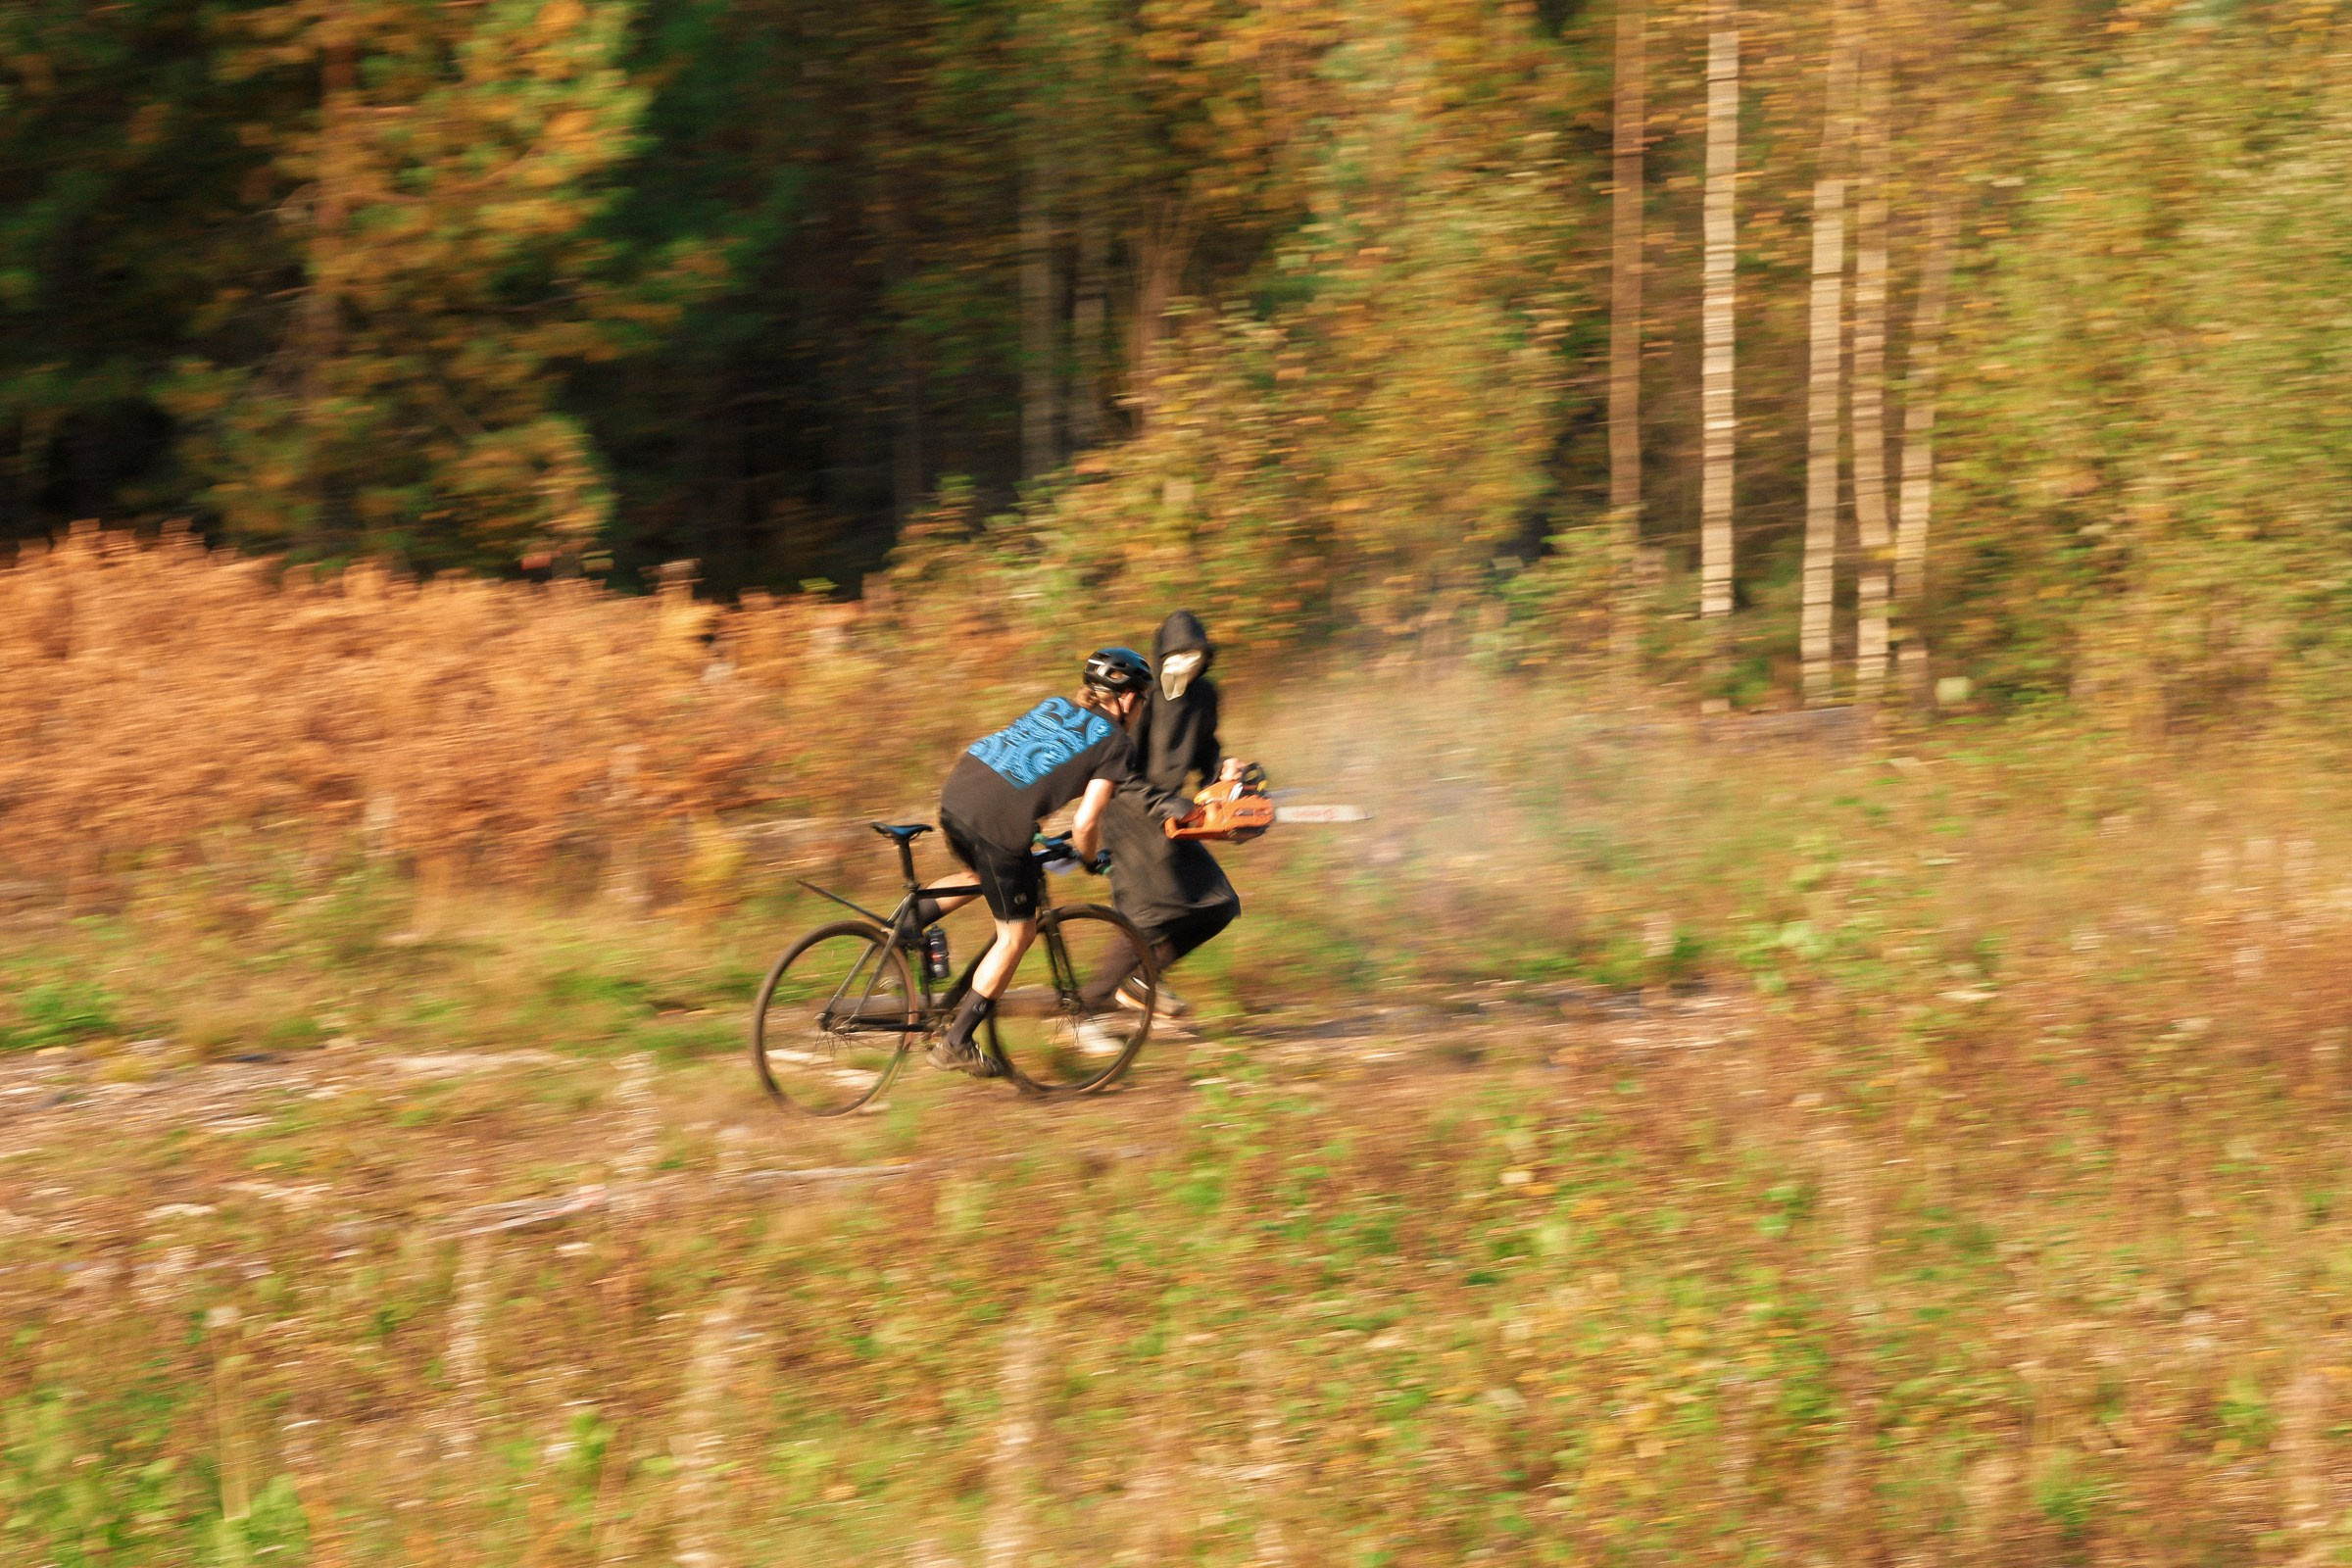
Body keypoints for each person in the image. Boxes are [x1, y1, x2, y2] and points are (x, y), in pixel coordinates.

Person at [920, 646, 1151, 1075]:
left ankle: (900, 931)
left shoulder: (1057, 706)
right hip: (997, 824)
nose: (1140, 708)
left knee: (983, 874)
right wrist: (1088, 859)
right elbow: (1086, 822)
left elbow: (1020, 769)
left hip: (957, 796)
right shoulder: (1117, 743)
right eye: (1142, 699)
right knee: (1017, 934)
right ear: (1127, 698)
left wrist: (1036, 830)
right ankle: (957, 1040)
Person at [1088, 611, 1245, 1018]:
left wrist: (1223, 773)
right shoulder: (1143, 696)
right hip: (1128, 813)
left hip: (1171, 814)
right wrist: (1166, 805)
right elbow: (1119, 772)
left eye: (1195, 657)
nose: (1185, 665)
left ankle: (1141, 981)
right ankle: (1081, 1012)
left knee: (1218, 904)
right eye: (1177, 657)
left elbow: (1205, 748)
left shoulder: (1205, 695)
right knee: (1147, 918)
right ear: (1161, 656)